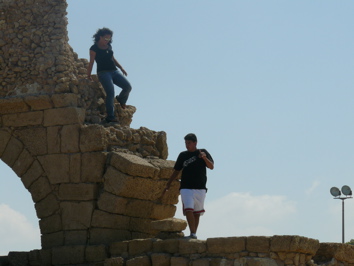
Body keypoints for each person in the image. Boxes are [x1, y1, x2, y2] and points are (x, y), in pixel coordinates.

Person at [163, 133, 214, 239]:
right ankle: (193, 234)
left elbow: (211, 166)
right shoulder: (183, 155)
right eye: (186, 143)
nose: (187, 145)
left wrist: (204, 158)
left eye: (189, 143)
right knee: (188, 210)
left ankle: (193, 233)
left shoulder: (202, 152)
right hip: (186, 187)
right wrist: (168, 184)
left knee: (197, 212)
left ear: (195, 143)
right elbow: (176, 171)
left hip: (200, 187)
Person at [87, 27, 132, 123]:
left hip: (114, 71)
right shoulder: (94, 48)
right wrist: (88, 75)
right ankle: (110, 117)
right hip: (103, 73)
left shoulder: (109, 46)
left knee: (127, 86)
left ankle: (121, 99)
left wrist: (121, 68)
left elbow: (113, 58)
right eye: (106, 39)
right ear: (100, 37)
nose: (107, 41)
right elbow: (91, 62)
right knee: (111, 93)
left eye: (109, 39)